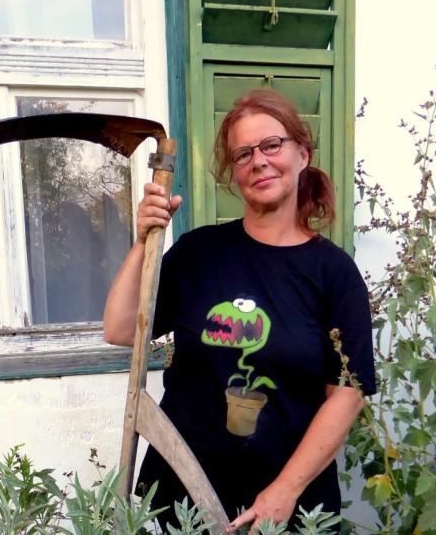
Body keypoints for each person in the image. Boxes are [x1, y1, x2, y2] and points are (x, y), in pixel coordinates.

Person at [103, 89, 376, 533]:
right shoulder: (199, 253)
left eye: (272, 145)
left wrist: (284, 491)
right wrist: (142, 242)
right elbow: (119, 328)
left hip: (289, 510)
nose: (259, 160)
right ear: (233, 173)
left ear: (302, 153)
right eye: (243, 153)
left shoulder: (334, 274)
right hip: (187, 499)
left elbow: (347, 394)